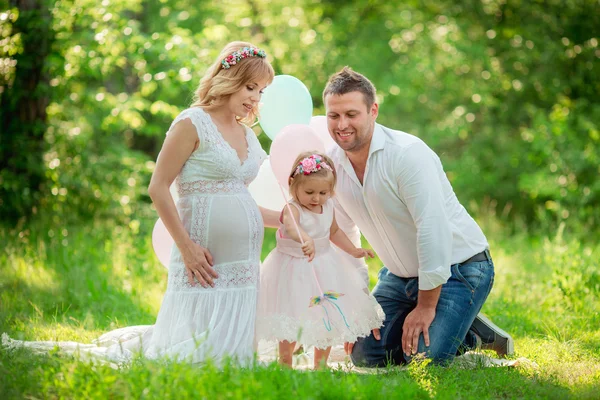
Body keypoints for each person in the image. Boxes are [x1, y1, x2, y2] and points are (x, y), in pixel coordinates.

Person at [2, 41, 280, 366]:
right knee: (182, 358)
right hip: (203, 258)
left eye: (261, 91)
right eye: (250, 87)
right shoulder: (192, 123)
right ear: (229, 78)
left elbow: (239, 201)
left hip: (243, 267)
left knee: (236, 362)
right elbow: (158, 187)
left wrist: (285, 218)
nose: (255, 99)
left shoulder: (247, 135)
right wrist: (186, 247)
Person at [322, 67, 514, 366]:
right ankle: (464, 329)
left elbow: (432, 229)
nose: (342, 124)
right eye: (334, 116)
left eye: (351, 114)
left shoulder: (407, 154)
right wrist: (358, 307)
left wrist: (426, 306)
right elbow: (344, 237)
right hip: (399, 276)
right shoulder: (330, 164)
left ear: (373, 110)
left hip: (459, 268)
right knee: (365, 356)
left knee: (424, 360)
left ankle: (465, 329)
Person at [255, 152, 385, 369]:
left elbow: (334, 231)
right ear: (292, 185)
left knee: (326, 312)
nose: (316, 198)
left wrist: (353, 250)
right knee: (291, 313)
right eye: (309, 192)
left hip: (325, 265)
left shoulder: (328, 206)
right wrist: (305, 239)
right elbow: (290, 227)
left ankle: (321, 365)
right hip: (292, 268)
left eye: (323, 192)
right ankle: (285, 361)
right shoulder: (292, 209)